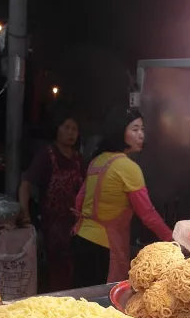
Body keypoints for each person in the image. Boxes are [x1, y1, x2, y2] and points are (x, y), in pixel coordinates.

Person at [71, 107, 172, 287]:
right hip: (103, 248)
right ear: (120, 132)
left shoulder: (97, 160)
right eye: (135, 129)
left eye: (142, 129)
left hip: (80, 239)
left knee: (81, 302)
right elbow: (148, 215)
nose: (141, 135)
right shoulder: (128, 167)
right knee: (102, 305)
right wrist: (173, 239)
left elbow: (79, 200)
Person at [19, 111, 85, 291]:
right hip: (52, 226)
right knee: (56, 273)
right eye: (67, 128)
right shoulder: (47, 155)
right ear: (57, 129)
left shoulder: (79, 159)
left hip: (77, 225)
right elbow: (26, 184)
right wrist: (25, 215)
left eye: (75, 129)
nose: (71, 133)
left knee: (74, 271)